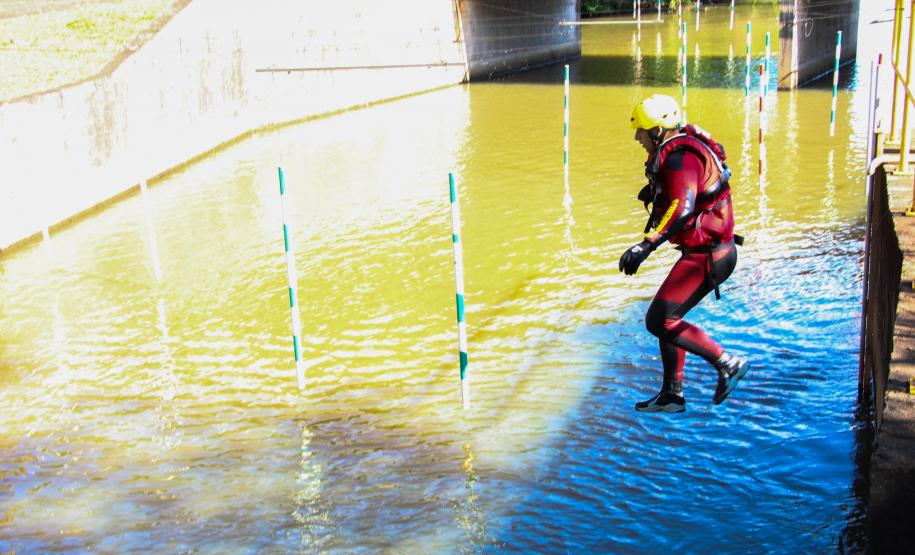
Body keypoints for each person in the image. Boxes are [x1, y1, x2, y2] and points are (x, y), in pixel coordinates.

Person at [619, 94, 749, 413]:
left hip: (709, 256)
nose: (638, 137)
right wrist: (654, 191)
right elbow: (682, 191)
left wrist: (645, 245)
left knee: (659, 319)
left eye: (643, 131)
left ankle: (727, 363)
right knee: (667, 316)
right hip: (703, 252)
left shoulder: (680, 157)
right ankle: (672, 395)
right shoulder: (677, 152)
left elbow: (681, 207)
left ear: (660, 131)